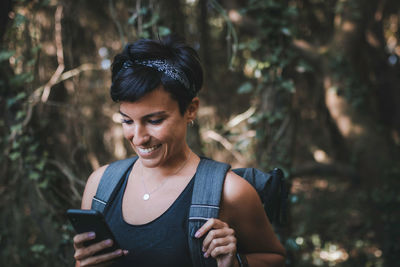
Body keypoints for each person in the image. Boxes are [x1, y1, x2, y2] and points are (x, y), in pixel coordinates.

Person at [72, 35, 286, 267]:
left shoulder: (231, 191)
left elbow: (275, 258)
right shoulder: (100, 186)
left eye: (154, 120)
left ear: (191, 110)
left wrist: (236, 263)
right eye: (127, 121)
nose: (139, 137)